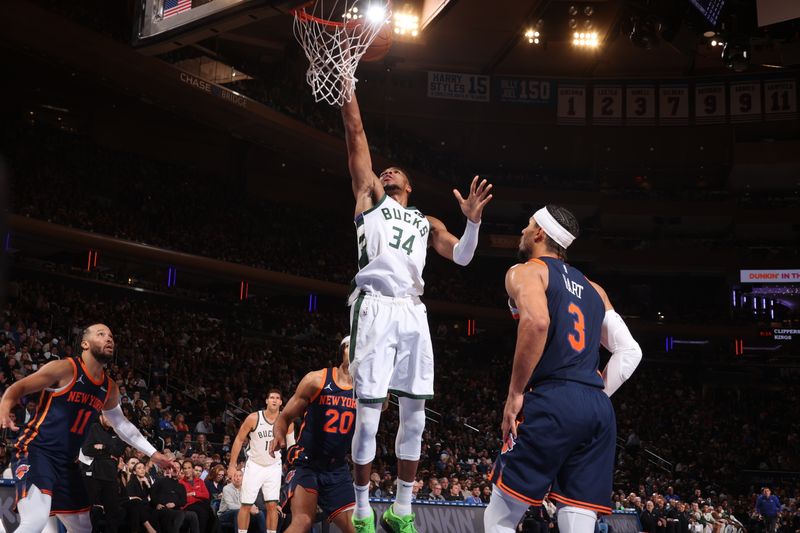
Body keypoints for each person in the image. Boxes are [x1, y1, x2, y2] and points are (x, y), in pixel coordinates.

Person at [341, 90, 493, 533]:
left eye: (395, 171)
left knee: (416, 417)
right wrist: (348, 86)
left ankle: (402, 511)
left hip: (413, 312)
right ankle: (364, 510)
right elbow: (355, 134)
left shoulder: (427, 222)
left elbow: (462, 257)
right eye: (382, 169)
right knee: (369, 417)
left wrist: (474, 221)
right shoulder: (370, 197)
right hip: (375, 307)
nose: (386, 171)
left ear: (409, 186)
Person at [483, 206, 643, 533]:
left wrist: (515, 394)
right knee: (577, 520)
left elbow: (537, 321)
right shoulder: (596, 290)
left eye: (528, 225)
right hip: (597, 410)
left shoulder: (526, 271)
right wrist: (592, 393)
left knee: (500, 516)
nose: (523, 232)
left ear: (540, 233)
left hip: (552, 399)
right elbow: (630, 352)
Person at [0, 324, 174, 533]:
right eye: (101, 335)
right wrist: (4, 406)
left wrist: (153, 454)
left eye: (111, 336)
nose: (109, 339)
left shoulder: (109, 387)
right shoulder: (65, 368)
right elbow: (20, 387)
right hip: (37, 450)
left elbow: (120, 424)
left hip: (67, 463)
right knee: (35, 519)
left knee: (82, 527)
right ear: (84, 343)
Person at [270, 336, 357, 533]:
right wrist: (279, 434)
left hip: (336, 467)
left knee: (356, 529)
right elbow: (284, 417)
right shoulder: (316, 380)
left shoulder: (366, 389)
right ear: (342, 351)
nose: (355, 350)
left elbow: (384, 405)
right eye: (351, 346)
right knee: (303, 521)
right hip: (306, 461)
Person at [228, 390, 293, 533]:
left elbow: (292, 446)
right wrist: (232, 465)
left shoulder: (286, 420)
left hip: (274, 466)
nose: (274, 400)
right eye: (271, 398)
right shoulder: (254, 418)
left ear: (281, 402)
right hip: (254, 465)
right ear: (267, 401)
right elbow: (239, 439)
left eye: (277, 398)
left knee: (272, 505)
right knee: (246, 504)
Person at [80, 414, 128, 533]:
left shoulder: (116, 431)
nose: (110, 420)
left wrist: (103, 446)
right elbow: (87, 450)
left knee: (113, 511)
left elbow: (119, 451)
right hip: (93, 475)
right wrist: (109, 455)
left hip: (111, 476)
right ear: (101, 416)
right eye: (107, 416)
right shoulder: (93, 428)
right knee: (90, 509)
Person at [151, 462, 188, 533]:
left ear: (180, 471)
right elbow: (152, 494)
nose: (175, 469)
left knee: (183, 514)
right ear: (169, 469)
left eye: (177, 468)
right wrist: (156, 504)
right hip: (162, 508)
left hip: (175, 509)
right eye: (173, 467)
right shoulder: (160, 480)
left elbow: (184, 501)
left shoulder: (181, 486)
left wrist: (175, 504)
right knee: (177, 514)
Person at [179, 459, 214, 533]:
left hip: (199, 504)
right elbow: (184, 498)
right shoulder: (180, 482)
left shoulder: (200, 481)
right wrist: (198, 495)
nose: (187, 470)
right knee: (202, 512)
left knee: (212, 513)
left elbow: (207, 495)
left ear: (192, 469)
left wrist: (194, 493)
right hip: (187, 505)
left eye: (189, 468)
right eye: (184, 468)